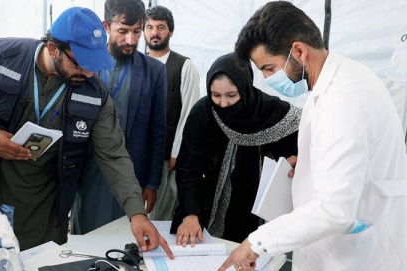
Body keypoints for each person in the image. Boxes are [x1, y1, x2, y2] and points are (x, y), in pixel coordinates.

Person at [0, 7, 173, 257]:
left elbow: (114, 155)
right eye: (80, 63)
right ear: (54, 48)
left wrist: (136, 214)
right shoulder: (1, 54)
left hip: (43, 200)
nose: (88, 73)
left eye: (93, 65)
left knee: (37, 260)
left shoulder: (94, 94)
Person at [220, 2, 407, 271]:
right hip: (337, 250)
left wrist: (256, 243)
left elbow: (335, 209)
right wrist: (311, 166)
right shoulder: (333, 83)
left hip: (358, 257)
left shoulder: (344, 99)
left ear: (298, 51)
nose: (266, 78)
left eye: (269, 68)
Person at [172, 52, 300, 246]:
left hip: (253, 210)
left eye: (231, 95)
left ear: (245, 87)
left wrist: (296, 160)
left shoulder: (269, 112)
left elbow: (300, 147)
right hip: (205, 207)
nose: (223, 103)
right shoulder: (203, 112)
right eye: (216, 95)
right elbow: (188, 168)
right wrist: (190, 213)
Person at [70, 0, 167, 235]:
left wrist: (152, 184)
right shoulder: (83, 65)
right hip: (88, 172)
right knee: (87, 239)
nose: (131, 40)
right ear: (106, 26)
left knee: (124, 240)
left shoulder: (154, 71)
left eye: (136, 32)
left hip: (131, 175)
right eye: (123, 32)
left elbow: (158, 132)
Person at [143, 5, 201, 221]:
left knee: (159, 214)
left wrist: (177, 152)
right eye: (149, 27)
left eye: (160, 27)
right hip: (138, 155)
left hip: (168, 156)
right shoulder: (137, 63)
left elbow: (189, 113)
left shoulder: (184, 66)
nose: (154, 32)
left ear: (170, 32)